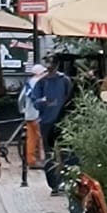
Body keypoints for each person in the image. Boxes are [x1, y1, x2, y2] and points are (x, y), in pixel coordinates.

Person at [29, 55, 73, 189]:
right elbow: (35, 101)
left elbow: (71, 99)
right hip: (47, 122)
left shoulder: (64, 80)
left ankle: (68, 181)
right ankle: (53, 184)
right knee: (49, 153)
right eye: (48, 64)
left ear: (57, 65)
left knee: (67, 152)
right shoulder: (42, 82)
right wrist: (42, 102)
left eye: (52, 64)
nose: (50, 67)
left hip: (63, 121)